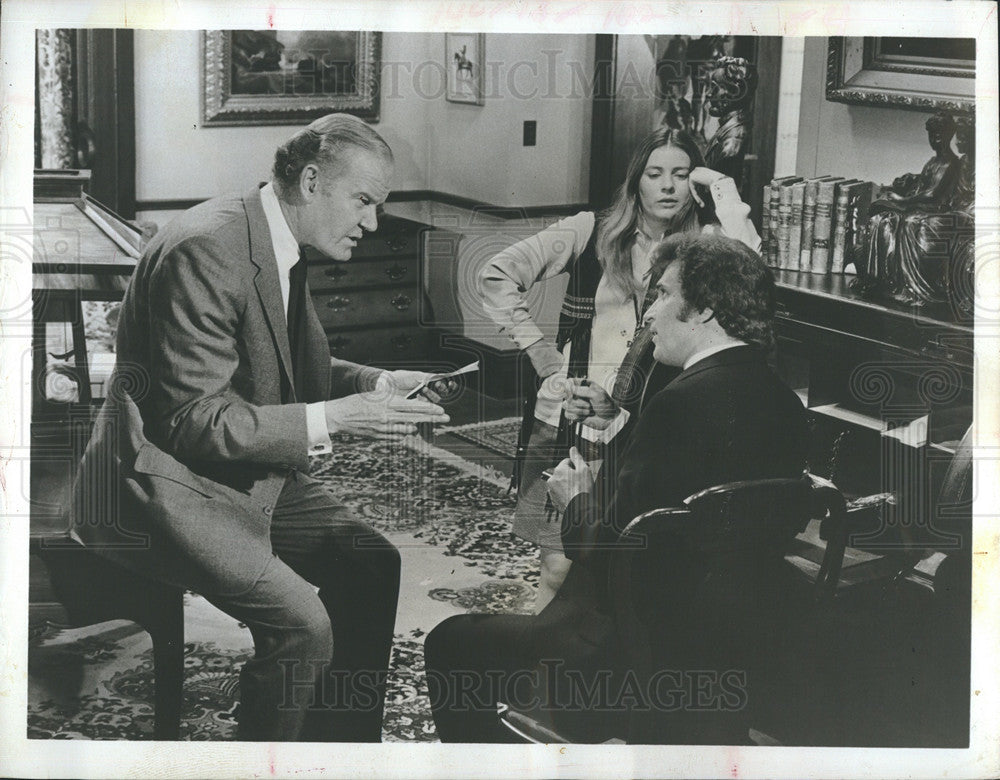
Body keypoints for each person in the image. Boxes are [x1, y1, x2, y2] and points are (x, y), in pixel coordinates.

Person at [70, 114, 451, 742]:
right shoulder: (208, 248)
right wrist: (337, 418)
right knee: (305, 626)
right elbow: (191, 421)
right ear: (310, 181)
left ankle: (339, 752)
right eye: (363, 201)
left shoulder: (272, 237)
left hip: (230, 466)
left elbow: (296, 365)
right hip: (160, 485)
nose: (373, 223)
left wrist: (375, 383)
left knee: (370, 562)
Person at [427, 233, 808, 743]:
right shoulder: (787, 403)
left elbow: (609, 554)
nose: (650, 316)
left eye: (665, 296)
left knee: (450, 642)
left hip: (634, 647)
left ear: (705, 311)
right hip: (732, 640)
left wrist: (575, 498)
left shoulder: (678, 404)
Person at [479, 127, 760, 610]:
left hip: (651, 422)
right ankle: (542, 661)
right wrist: (543, 355)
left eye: (681, 174)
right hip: (578, 418)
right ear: (636, 184)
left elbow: (754, 271)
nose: (668, 186)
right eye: (655, 174)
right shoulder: (589, 230)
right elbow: (495, 275)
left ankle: (591, 656)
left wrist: (721, 186)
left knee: (626, 560)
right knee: (558, 562)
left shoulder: (708, 245)